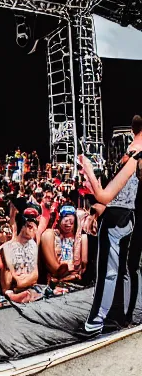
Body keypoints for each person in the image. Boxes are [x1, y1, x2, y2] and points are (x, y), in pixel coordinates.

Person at [80, 118, 142, 333]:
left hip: (118, 219)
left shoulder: (135, 157)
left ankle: (94, 323)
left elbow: (104, 196)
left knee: (109, 271)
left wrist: (88, 169)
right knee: (127, 270)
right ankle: (122, 317)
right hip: (129, 218)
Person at [0, 208, 40, 303]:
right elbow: (8, 282)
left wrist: (21, 282)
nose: (33, 230)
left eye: (34, 227)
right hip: (12, 292)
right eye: (29, 226)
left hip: (29, 288)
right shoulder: (6, 248)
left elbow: (35, 275)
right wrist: (20, 282)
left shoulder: (33, 245)